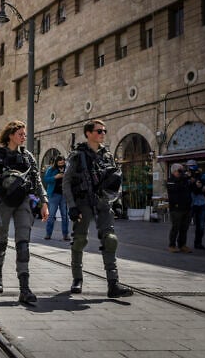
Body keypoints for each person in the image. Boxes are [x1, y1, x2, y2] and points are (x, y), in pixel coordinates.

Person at [0, 120, 49, 304]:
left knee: (23, 244)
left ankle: (24, 288)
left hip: (23, 201)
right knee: (1, 241)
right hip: (3, 202)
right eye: (20, 134)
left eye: (24, 134)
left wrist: (44, 202)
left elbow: (37, 180)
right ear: (10, 135)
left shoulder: (27, 157)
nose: (23, 137)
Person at [64, 119, 133, 298]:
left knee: (110, 239)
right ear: (88, 133)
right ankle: (77, 279)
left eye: (104, 131)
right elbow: (66, 182)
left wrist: (117, 203)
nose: (102, 134)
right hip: (83, 202)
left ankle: (113, 283)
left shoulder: (107, 155)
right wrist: (72, 206)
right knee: (79, 240)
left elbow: (115, 180)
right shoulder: (77, 155)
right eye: (98, 131)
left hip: (103, 203)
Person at [166, 163, 192, 253]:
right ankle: (172, 245)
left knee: (184, 228)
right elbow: (176, 188)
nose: (181, 172)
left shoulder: (184, 180)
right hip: (176, 208)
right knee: (175, 227)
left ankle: (182, 245)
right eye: (180, 170)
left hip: (186, 207)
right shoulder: (170, 180)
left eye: (182, 170)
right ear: (174, 171)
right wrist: (184, 177)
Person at [43, 155, 70, 241]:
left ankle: (65, 235)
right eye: (59, 163)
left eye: (63, 163)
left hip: (64, 195)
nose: (61, 164)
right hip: (54, 195)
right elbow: (46, 179)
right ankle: (48, 234)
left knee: (65, 216)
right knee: (51, 215)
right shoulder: (51, 169)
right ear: (56, 162)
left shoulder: (67, 169)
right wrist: (55, 177)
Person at [187, 159, 205, 250]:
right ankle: (181, 243)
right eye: (189, 166)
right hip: (191, 203)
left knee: (201, 225)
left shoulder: (201, 176)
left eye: (192, 165)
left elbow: (204, 188)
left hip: (201, 203)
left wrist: (201, 186)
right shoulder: (187, 177)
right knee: (185, 224)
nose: (191, 168)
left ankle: (198, 243)